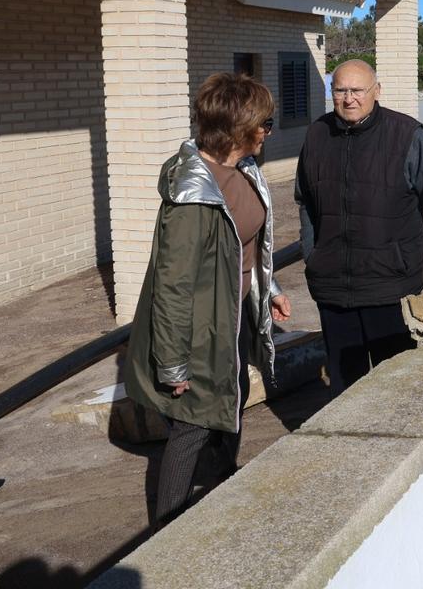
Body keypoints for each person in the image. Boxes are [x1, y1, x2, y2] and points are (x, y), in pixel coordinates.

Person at [125, 73, 291, 526]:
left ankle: (221, 487)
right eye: (265, 122)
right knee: (193, 424)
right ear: (241, 130)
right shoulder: (192, 196)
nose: (269, 130)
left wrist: (268, 289)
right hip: (199, 326)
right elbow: (173, 285)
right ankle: (168, 531)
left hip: (231, 315)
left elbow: (247, 244)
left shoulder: (240, 172)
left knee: (230, 401)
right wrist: (173, 362)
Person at [294, 59, 423, 396]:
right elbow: (305, 198)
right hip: (333, 286)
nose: (349, 98)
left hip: (389, 285)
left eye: (357, 91)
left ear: (376, 91)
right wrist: (313, 253)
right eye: (340, 90)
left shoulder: (405, 135)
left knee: (395, 389)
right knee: (345, 394)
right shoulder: (317, 134)